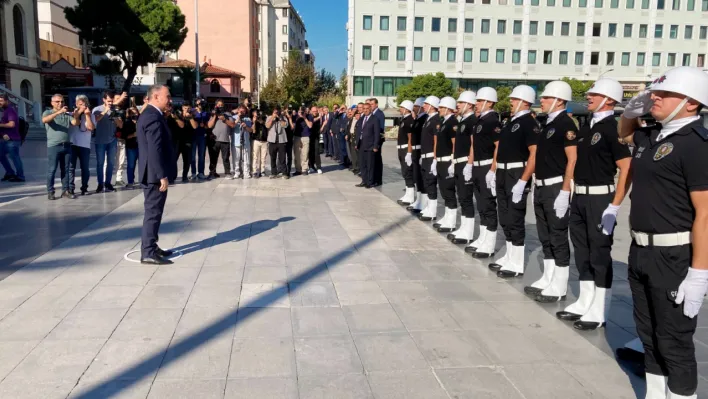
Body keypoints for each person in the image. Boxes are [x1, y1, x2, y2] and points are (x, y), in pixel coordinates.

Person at [618, 66, 708, 399]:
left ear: (691, 103)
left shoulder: (697, 144)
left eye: (665, 94)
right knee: (649, 336)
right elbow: (625, 133)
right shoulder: (652, 135)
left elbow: (705, 213)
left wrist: (699, 273)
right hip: (641, 250)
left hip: (674, 255)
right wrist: (635, 106)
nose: (656, 98)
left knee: (675, 341)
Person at [554, 78, 632, 331]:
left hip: (600, 198)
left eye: (594, 94)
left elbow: (626, 168)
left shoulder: (613, 129)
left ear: (609, 99)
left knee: (599, 253)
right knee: (582, 250)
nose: (588, 97)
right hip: (581, 196)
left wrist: (615, 206)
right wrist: (567, 191)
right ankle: (585, 300)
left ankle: (599, 309)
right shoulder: (586, 128)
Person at [524, 80, 578, 303]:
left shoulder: (567, 125)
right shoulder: (547, 124)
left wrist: (565, 190)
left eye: (546, 98)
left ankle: (560, 284)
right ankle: (548, 277)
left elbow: (572, 159)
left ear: (559, 100)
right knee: (545, 235)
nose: (542, 101)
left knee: (557, 236)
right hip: (542, 185)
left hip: (556, 186)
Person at [491, 85, 539, 278]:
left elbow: (534, 153)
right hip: (503, 172)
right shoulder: (511, 122)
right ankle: (510, 255)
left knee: (515, 217)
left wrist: (523, 180)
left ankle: (517, 262)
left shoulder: (529, 123)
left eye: (514, 99)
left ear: (524, 101)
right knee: (504, 216)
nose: (510, 102)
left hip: (516, 173)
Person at [137, 84, 174, 265]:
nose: (170, 100)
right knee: (153, 213)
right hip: (153, 175)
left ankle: (152, 245)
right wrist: (162, 175)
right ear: (156, 97)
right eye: (167, 96)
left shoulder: (153, 115)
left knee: (155, 212)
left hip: (152, 173)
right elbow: (154, 149)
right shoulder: (152, 117)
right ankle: (148, 252)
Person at [467, 87, 501, 259]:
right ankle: (483, 238)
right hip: (478, 167)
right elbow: (474, 145)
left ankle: (490, 243)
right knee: (480, 204)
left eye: (480, 101)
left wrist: (493, 170)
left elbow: (498, 146)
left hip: (488, 166)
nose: (477, 104)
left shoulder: (493, 121)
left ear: (489, 102)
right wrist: (470, 164)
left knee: (488, 206)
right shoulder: (479, 121)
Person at [447, 91, 477, 244]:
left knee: (466, 198)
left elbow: (473, 144)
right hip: (458, 162)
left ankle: (468, 231)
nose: (457, 105)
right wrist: (453, 162)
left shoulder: (472, 121)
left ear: (469, 104)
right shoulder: (462, 121)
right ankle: (464, 227)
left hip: (465, 162)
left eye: (460, 102)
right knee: (462, 196)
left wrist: (469, 164)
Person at [431, 96, 459, 232]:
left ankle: (452, 221)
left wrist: (453, 161)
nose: (439, 109)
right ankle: (447, 217)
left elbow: (455, 143)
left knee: (449, 191)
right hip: (441, 161)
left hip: (448, 160)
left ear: (448, 108)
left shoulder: (453, 122)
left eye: (441, 107)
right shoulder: (443, 122)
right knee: (443, 190)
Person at [42, 94, 75, 200]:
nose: (60, 103)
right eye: (57, 101)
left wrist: (76, 115)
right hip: (54, 146)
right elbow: (45, 120)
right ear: (52, 103)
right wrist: (58, 112)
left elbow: (75, 122)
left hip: (66, 145)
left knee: (65, 169)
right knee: (52, 169)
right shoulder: (48, 112)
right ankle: (50, 191)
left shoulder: (66, 114)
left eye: (62, 101)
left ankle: (65, 191)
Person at [417, 96, 441, 221]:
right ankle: (427, 206)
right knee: (426, 182)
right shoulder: (428, 119)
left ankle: (432, 210)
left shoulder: (436, 120)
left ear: (432, 106)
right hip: (425, 156)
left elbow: (436, 141)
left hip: (431, 156)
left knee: (431, 183)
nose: (424, 106)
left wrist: (435, 159)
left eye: (426, 104)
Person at [93, 91, 122, 193]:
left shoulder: (115, 110)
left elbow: (120, 125)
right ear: (104, 100)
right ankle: (100, 184)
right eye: (109, 101)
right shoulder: (97, 109)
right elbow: (95, 120)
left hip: (112, 141)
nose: (110, 103)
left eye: (112, 101)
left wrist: (115, 117)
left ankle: (108, 183)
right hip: (100, 141)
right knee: (100, 163)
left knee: (111, 163)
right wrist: (105, 111)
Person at [69, 94, 95, 195]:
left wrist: (87, 115)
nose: (82, 106)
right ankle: (71, 188)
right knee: (71, 167)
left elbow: (91, 128)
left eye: (84, 104)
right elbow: (73, 123)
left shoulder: (90, 115)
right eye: (80, 104)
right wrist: (78, 112)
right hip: (72, 143)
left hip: (84, 145)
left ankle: (84, 187)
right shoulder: (71, 114)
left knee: (85, 168)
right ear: (76, 104)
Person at [406, 97, 428, 213]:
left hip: (420, 150)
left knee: (421, 177)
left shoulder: (424, 119)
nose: (413, 108)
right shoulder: (417, 119)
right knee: (416, 176)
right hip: (415, 150)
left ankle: (423, 202)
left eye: (415, 106)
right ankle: (419, 200)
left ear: (420, 107)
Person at [207, 99, 235, 179]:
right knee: (213, 157)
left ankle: (227, 173)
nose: (220, 106)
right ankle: (212, 173)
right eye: (218, 105)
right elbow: (209, 125)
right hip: (214, 140)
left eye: (221, 105)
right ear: (216, 106)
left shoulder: (228, 114)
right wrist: (215, 116)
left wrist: (224, 119)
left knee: (225, 157)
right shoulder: (213, 115)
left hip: (225, 139)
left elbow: (233, 125)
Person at [0, 93, 25, 182]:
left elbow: (12, 124)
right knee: (1, 156)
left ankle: (20, 176)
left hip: (12, 139)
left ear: (7, 101)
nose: (0, 103)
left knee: (14, 157)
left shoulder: (10, 110)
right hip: (5, 139)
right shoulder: (4, 111)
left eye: (1, 101)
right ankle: (10, 173)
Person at [355, 102, 380, 189]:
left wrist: (375, 146)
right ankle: (364, 180)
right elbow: (358, 130)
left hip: (370, 146)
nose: (365, 110)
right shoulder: (362, 118)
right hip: (361, 144)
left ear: (370, 109)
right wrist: (356, 143)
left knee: (370, 165)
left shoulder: (374, 119)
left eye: (367, 108)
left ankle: (370, 182)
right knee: (362, 165)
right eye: (364, 109)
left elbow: (377, 134)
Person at [397, 100, 416, 205]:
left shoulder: (409, 120)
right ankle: (408, 193)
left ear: (406, 109)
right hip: (401, 148)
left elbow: (410, 138)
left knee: (408, 172)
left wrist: (409, 152)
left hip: (405, 149)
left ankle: (410, 195)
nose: (400, 109)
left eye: (401, 107)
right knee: (405, 172)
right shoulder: (404, 119)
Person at [171, 102, 196, 183]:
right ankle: (173, 176)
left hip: (188, 141)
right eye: (185, 108)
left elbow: (195, 126)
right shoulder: (178, 115)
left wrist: (191, 118)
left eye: (188, 108)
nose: (187, 110)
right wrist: (177, 118)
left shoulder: (192, 116)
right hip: (177, 141)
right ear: (182, 108)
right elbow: (181, 125)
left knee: (187, 160)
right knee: (174, 159)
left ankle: (184, 176)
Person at [266, 107, 290, 179]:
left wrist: (280, 118)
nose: (276, 113)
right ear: (272, 112)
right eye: (275, 112)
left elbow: (285, 125)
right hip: (272, 140)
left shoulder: (283, 117)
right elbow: (267, 126)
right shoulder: (269, 117)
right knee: (272, 157)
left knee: (282, 158)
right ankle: (273, 173)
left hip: (281, 140)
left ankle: (284, 173)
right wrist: (272, 118)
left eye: (277, 112)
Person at [231, 105, 253, 179]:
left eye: (243, 111)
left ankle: (246, 172)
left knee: (246, 158)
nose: (242, 112)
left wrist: (246, 126)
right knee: (236, 158)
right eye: (240, 110)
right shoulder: (233, 117)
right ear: (238, 110)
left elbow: (251, 130)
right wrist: (238, 118)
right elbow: (232, 126)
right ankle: (237, 172)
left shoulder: (248, 119)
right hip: (236, 141)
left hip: (245, 141)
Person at [294, 106, 317, 175]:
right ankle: (298, 169)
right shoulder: (296, 116)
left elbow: (310, 126)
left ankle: (304, 169)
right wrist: (298, 116)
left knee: (305, 153)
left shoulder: (309, 116)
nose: (302, 112)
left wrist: (304, 117)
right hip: (297, 136)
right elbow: (293, 125)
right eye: (300, 110)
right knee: (297, 154)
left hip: (306, 136)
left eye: (303, 110)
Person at [112, 92, 129, 187]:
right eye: (118, 98)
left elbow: (121, 125)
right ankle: (106, 180)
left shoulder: (123, 111)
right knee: (108, 161)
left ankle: (119, 178)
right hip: (110, 139)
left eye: (122, 99)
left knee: (121, 160)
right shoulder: (109, 110)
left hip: (121, 138)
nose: (120, 100)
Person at [191, 98, 209, 180]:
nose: (200, 104)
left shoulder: (205, 113)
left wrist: (204, 126)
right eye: (199, 103)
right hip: (193, 136)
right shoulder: (192, 111)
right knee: (193, 156)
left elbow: (207, 125)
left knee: (201, 155)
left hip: (202, 136)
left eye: (202, 103)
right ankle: (193, 173)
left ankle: (201, 172)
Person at [369, 98, 386, 186]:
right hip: (371, 140)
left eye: (372, 104)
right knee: (373, 160)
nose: (371, 105)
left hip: (377, 140)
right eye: (370, 104)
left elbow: (381, 128)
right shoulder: (371, 114)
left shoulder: (380, 114)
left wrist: (377, 142)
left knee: (377, 159)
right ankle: (373, 178)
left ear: (376, 105)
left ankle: (378, 180)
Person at [123, 108, 139, 188]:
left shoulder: (141, 121)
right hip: (131, 147)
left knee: (142, 164)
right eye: (132, 113)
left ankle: (143, 180)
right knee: (131, 165)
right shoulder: (127, 123)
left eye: (135, 113)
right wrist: (133, 135)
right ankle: (130, 181)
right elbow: (125, 136)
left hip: (141, 147)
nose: (134, 115)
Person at [251, 109, 268, 178]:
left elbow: (267, 126)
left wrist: (263, 121)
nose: (259, 115)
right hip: (256, 140)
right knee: (255, 157)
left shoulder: (265, 119)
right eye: (258, 114)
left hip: (264, 140)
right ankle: (254, 171)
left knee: (263, 157)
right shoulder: (255, 120)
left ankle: (262, 171)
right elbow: (253, 131)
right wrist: (254, 122)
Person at [308, 106, 323, 174]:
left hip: (316, 136)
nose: (315, 112)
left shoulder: (319, 117)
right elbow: (311, 122)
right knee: (310, 152)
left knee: (317, 152)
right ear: (311, 111)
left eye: (316, 111)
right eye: (313, 111)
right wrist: (319, 117)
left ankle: (319, 167)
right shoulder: (309, 117)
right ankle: (311, 166)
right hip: (309, 137)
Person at [346, 105, 360, 175]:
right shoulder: (353, 119)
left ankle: (357, 167)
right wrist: (348, 135)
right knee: (352, 153)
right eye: (356, 115)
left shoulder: (359, 121)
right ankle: (354, 166)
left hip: (356, 137)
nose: (357, 116)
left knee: (356, 153)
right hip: (351, 136)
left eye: (358, 115)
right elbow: (349, 128)